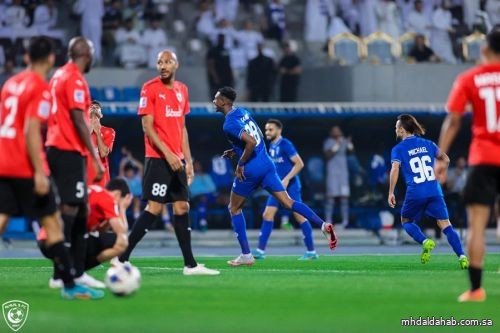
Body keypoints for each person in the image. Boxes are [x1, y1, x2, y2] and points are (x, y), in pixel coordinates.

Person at [0, 36, 103, 299]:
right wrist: (39, 170)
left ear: (26, 57)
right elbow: (31, 130)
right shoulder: (41, 87)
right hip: (26, 164)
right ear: (50, 58)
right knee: (55, 222)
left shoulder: (10, 84)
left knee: (5, 218)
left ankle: (70, 278)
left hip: (4, 160)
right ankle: (67, 282)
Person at [118, 50, 219, 276]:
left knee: (183, 207)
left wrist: (188, 160)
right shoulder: (149, 88)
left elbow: (182, 128)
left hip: (178, 160)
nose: (162, 65)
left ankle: (190, 265)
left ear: (176, 64)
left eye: (167, 61)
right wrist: (169, 155)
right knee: (154, 208)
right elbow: (147, 128)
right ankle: (121, 257)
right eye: (159, 62)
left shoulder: (182, 90)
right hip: (158, 159)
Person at [213, 87, 337, 267]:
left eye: (216, 98)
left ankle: (246, 255)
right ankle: (323, 225)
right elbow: (258, 136)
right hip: (267, 164)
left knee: (234, 208)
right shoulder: (243, 112)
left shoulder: (228, 123)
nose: (213, 101)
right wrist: (236, 150)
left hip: (251, 168)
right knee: (288, 202)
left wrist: (240, 163)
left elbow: (251, 141)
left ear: (224, 101)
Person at [438, 28, 500, 302]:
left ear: (484, 48)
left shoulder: (470, 78)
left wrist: (441, 158)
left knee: (477, 226)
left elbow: (453, 120)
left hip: (484, 158)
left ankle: (476, 290)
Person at [45, 37, 105, 288]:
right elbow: (79, 120)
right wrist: (94, 157)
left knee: (81, 208)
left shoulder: (58, 75)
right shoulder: (74, 78)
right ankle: (61, 274)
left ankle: (77, 270)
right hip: (67, 149)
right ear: (87, 55)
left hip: (60, 147)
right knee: (70, 209)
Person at [388, 114, 468, 269]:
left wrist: (391, 192)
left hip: (415, 191)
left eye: (397, 126)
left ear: (403, 130)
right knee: (446, 225)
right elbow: (445, 159)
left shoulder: (398, 149)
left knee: (406, 221)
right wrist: (441, 173)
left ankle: (425, 241)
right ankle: (462, 256)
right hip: (434, 189)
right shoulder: (428, 144)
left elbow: (394, 169)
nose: (395, 129)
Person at [38, 177, 132, 288]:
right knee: (121, 242)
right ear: (117, 194)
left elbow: (96, 231)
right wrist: (122, 208)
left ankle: (62, 276)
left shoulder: (94, 191)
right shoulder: (108, 199)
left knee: (85, 236)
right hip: (62, 242)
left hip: (47, 240)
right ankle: (77, 274)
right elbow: (121, 232)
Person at [252, 119, 318, 260]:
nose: (267, 132)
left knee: (299, 216)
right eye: (266, 129)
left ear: (279, 130)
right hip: (277, 186)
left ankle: (311, 251)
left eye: (271, 129)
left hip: (291, 185)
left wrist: (287, 179)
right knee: (267, 215)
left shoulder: (285, 144)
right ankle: (260, 251)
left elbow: (299, 164)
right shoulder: (271, 146)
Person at [323, 126, 353, 227]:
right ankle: (328, 221)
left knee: (344, 198)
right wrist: (337, 145)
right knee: (330, 198)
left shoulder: (343, 141)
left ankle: (345, 221)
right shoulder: (328, 141)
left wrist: (349, 143)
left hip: (343, 174)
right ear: (331, 132)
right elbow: (327, 155)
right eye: (335, 131)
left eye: (339, 130)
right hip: (332, 174)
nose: (338, 132)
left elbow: (351, 152)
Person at [88, 100, 115, 186]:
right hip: (86, 172)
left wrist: (98, 133)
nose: (94, 109)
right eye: (91, 107)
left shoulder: (109, 131)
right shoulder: (82, 131)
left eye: (97, 108)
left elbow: (103, 153)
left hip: (102, 175)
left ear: (101, 115)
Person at [206, 34, 234, 99]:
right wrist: (215, 77)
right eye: (221, 39)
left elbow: (229, 64)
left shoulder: (226, 50)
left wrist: (231, 76)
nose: (222, 40)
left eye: (223, 39)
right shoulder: (213, 51)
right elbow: (210, 65)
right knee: (216, 96)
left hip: (226, 78)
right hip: (217, 79)